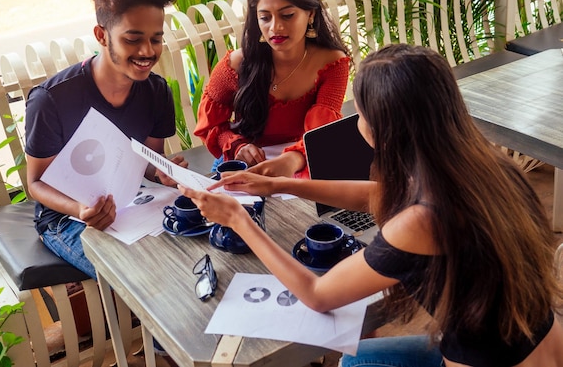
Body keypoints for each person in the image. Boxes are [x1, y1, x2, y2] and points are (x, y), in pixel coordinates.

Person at [180, 44, 563, 367]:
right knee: (356, 358)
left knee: (356, 359)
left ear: (383, 128)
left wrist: (237, 219)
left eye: (359, 112)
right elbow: (374, 194)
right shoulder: (486, 168)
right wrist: (281, 185)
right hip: (545, 346)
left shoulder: (423, 220)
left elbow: (317, 294)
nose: (355, 120)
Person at [25, 0, 187, 280]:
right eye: (133, 39)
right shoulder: (52, 99)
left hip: (130, 200)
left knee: (193, 245)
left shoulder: (156, 91)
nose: (147, 51)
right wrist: (81, 212)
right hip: (64, 218)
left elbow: (148, 162)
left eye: (156, 39)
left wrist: (163, 171)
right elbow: (36, 184)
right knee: (142, 277)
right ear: (101, 35)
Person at [194, 0, 350, 178]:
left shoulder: (333, 63)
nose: (275, 27)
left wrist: (294, 159)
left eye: (287, 15)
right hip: (244, 166)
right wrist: (238, 146)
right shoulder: (235, 65)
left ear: (311, 14)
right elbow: (211, 127)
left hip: (304, 159)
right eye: (265, 17)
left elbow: (321, 134)